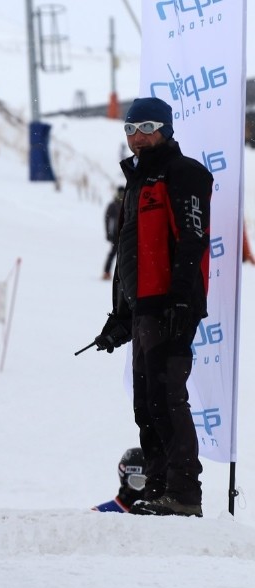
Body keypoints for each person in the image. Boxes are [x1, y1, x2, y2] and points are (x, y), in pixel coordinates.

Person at [91, 96, 212, 517]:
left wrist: (181, 297)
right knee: (146, 401)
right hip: (143, 306)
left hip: (172, 304)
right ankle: (159, 486)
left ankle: (183, 492)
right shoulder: (138, 181)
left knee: (167, 395)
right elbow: (131, 254)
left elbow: (192, 239)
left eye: (145, 127)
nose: (136, 137)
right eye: (129, 129)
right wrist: (120, 318)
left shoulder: (184, 173)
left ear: (166, 128)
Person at [93, 447, 147, 512]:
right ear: (125, 481)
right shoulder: (98, 515)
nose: (144, 488)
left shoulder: (160, 514)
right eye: (137, 482)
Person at [101, 186, 123, 280]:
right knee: (114, 253)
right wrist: (108, 233)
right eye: (120, 193)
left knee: (124, 255)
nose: (121, 195)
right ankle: (107, 272)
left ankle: (121, 276)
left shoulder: (127, 202)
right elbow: (107, 219)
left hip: (125, 233)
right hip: (116, 234)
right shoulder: (113, 205)